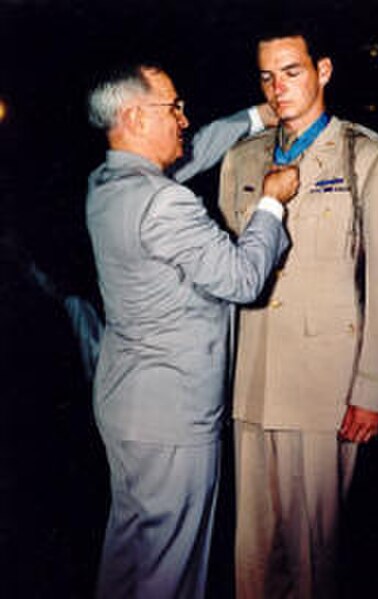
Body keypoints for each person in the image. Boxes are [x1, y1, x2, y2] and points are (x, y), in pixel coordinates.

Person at [86, 61, 299, 599]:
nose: (185, 118)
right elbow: (243, 278)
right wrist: (272, 202)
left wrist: (258, 115)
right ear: (135, 117)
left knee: (129, 554)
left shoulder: (109, 182)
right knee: (171, 572)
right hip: (172, 419)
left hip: (128, 407)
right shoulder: (163, 202)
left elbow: (196, 149)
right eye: (174, 107)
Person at [219, 23, 378, 598]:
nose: (277, 88)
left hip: (323, 389)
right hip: (252, 381)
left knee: (314, 559)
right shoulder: (242, 159)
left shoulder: (368, 158)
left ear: (323, 70)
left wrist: (372, 388)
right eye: (266, 76)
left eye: (292, 71)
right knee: (251, 559)